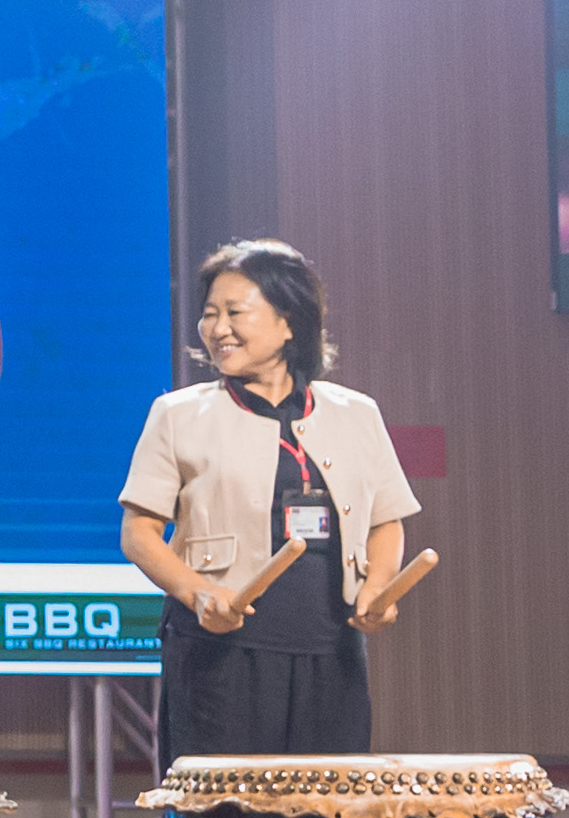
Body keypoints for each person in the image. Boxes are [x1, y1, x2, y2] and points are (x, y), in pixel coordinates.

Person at [118, 236, 418, 763]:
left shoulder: (356, 413)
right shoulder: (177, 414)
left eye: (236, 311)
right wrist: (197, 593)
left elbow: (386, 521)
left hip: (331, 648)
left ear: (289, 321)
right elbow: (139, 534)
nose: (218, 328)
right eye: (209, 314)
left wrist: (377, 589)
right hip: (221, 653)